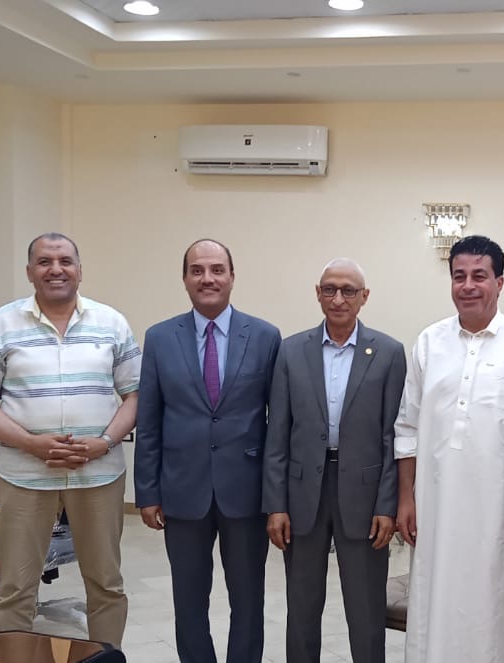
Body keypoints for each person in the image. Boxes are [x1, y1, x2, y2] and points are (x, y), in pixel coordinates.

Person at [0, 232, 140, 647]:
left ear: (80, 270)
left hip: (98, 473)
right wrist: (30, 443)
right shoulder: (1, 324)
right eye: (44, 262)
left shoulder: (111, 322)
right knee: (16, 588)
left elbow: (136, 394)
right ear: (29, 272)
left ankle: (104, 656)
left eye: (65, 261)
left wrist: (105, 442)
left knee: (106, 584)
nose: (56, 269)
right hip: (24, 475)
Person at [393, 235, 504, 663]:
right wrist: (406, 497)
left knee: (492, 611)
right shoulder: (429, 342)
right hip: (435, 507)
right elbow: (407, 427)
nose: (468, 285)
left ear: (500, 282)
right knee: (433, 604)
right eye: (459, 276)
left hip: (500, 511)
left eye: (479, 276)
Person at [133, 239, 281, 663]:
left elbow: (278, 423)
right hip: (182, 490)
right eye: (197, 270)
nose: (207, 278)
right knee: (188, 600)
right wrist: (148, 492)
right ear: (184, 279)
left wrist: (277, 498)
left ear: (232, 277)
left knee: (248, 600)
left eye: (217, 269)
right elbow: (150, 419)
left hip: (246, 492)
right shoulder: (160, 338)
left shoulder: (265, 336)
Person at [262, 258, 406, 663]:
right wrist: (276, 505)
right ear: (318, 293)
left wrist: (387, 505)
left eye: (348, 290)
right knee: (302, 607)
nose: (338, 298)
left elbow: (392, 436)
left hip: (364, 494)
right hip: (303, 493)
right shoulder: (291, 351)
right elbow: (277, 433)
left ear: (364, 297)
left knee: (366, 608)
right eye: (330, 289)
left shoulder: (389, 353)